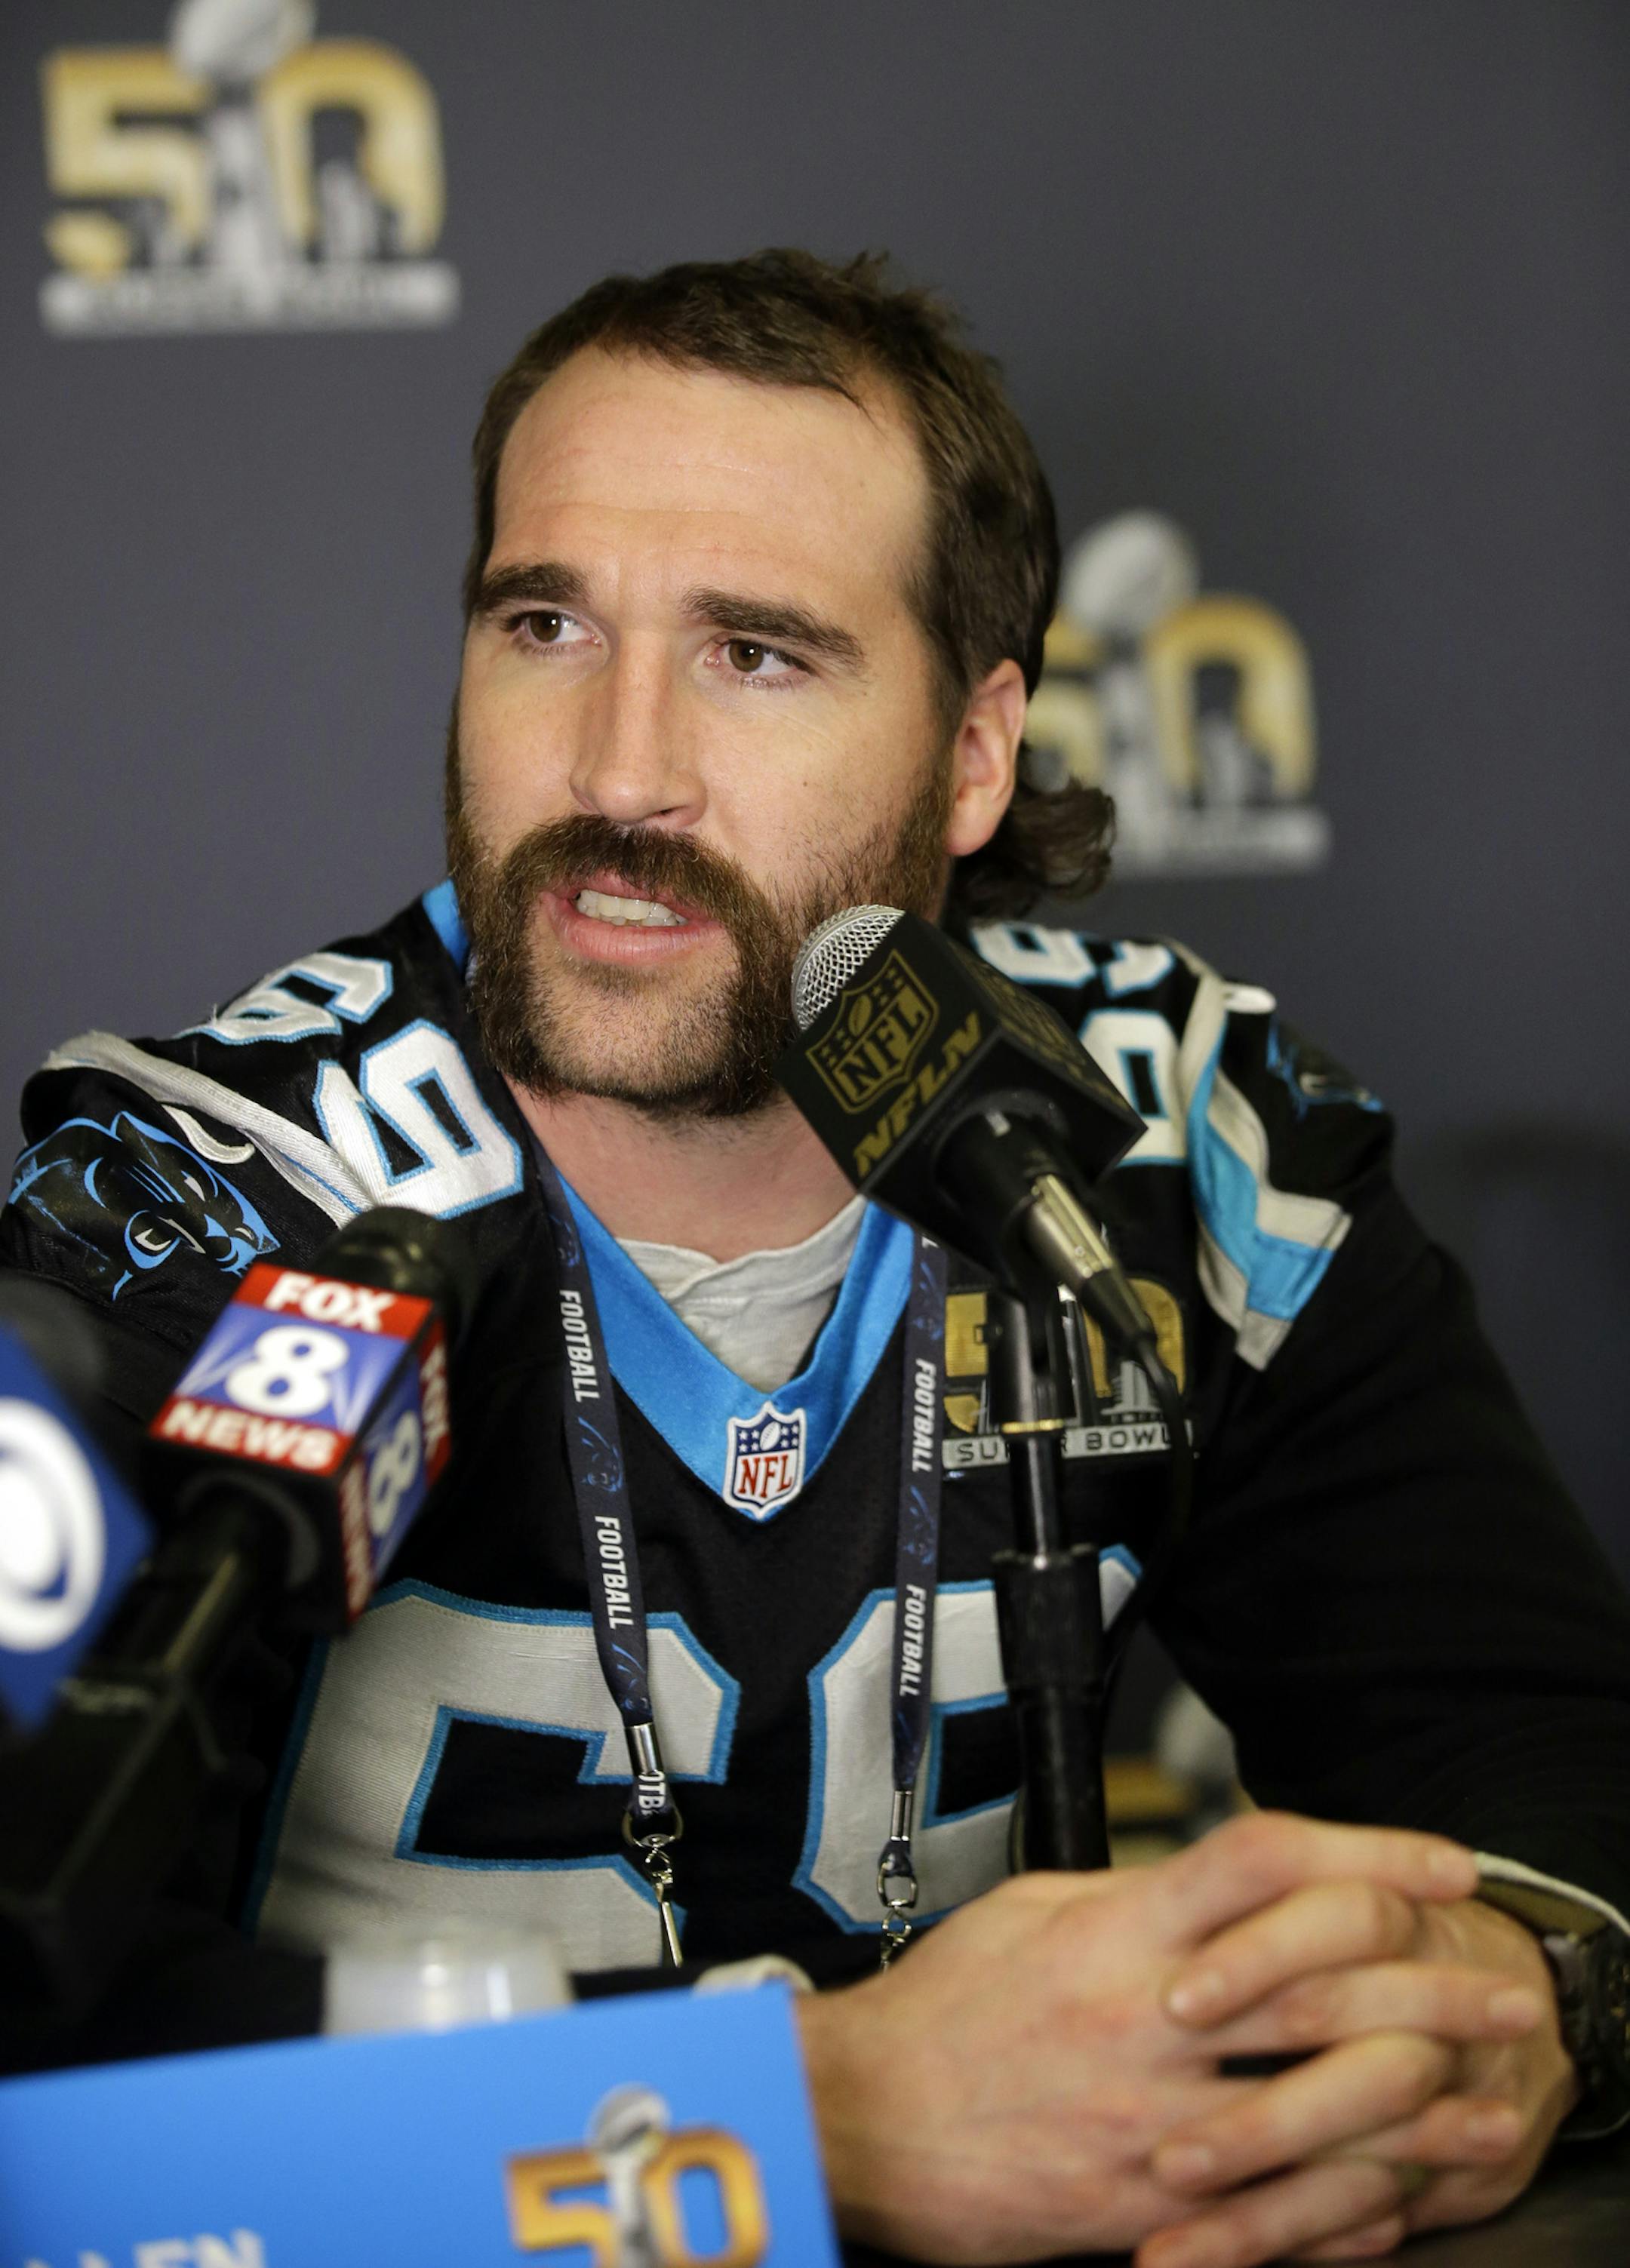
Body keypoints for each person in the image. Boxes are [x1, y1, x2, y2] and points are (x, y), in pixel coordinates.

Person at [4, 249, 1629, 2268]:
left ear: (972, 755)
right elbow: (32, 2093)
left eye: (757, 653)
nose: (614, 770)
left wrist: (1528, 2002)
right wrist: (786, 2117)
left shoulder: (1159, 1141)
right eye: (544, 624)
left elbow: (1536, 1744)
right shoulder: (209, 1215)